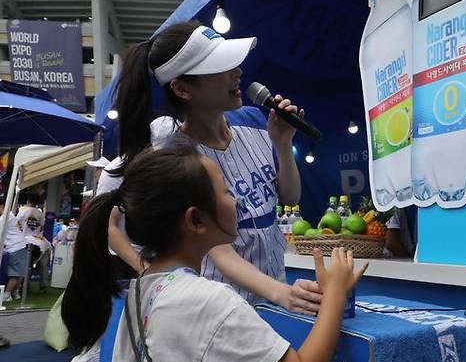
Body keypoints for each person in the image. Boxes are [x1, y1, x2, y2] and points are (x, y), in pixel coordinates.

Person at [62, 145, 366, 362]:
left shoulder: (142, 290)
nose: (235, 200)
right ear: (195, 220)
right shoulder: (206, 302)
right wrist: (336, 295)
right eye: (224, 190)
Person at [112, 20, 322, 312]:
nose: (237, 72)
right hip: (219, 306)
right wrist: (281, 293)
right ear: (182, 89)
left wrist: (283, 144)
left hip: (273, 292)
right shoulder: (175, 156)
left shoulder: (255, 120)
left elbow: (289, 197)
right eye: (220, 67)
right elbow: (217, 250)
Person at [0, 197, 27, 303]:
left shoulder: (4, 218)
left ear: (2, 206)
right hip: (20, 245)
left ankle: (7, 294)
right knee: (19, 272)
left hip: (14, 247)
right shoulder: (10, 215)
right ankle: (15, 293)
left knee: (14, 274)